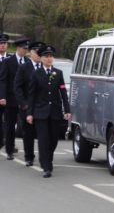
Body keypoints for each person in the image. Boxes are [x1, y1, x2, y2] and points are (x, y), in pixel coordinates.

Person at [26, 45, 71, 178]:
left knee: (54, 139)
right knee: (43, 139)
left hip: (55, 112)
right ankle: (46, 166)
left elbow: (63, 92)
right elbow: (31, 95)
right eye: (46, 56)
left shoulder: (58, 73)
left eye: (51, 56)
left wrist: (67, 110)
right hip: (40, 112)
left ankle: (47, 157)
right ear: (41, 58)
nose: (49, 58)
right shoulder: (36, 73)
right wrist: (29, 113)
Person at [14, 41, 45, 166]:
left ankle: (45, 157)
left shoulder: (46, 67)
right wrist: (24, 103)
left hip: (42, 106)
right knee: (28, 133)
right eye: (36, 52)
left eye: (40, 52)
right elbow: (17, 87)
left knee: (44, 134)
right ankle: (29, 156)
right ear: (31, 52)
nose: (38, 55)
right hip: (27, 106)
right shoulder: (24, 67)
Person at [0, 37, 30, 159]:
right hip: (11, 99)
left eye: (27, 49)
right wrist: (2, 96)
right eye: (24, 48)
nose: (26, 51)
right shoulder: (8, 61)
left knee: (26, 126)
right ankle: (9, 149)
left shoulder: (28, 62)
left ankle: (28, 152)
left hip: (24, 100)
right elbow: (3, 81)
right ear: (18, 48)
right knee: (10, 125)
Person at [0, 34, 12, 150]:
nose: (2, 45)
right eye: (1, 43)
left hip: (9, 96)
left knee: (9, 121)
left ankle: (9, 144)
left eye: (4, 43)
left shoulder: (10, 59)